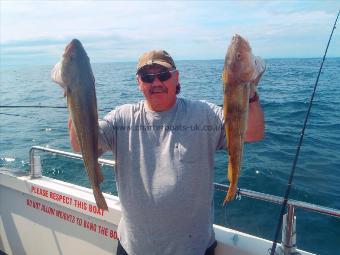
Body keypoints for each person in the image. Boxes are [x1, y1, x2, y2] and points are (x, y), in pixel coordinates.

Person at [68, 50, 264, 255]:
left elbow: (252, 133)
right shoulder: (122, 118)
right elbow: (80, 145)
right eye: (147, 77)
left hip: (193, 248)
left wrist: (248, 92)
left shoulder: (204, 114)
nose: (156, 83)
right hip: (134, 248)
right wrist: (74, 93)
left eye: (163, 75)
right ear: (138, 82)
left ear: (176, 77)